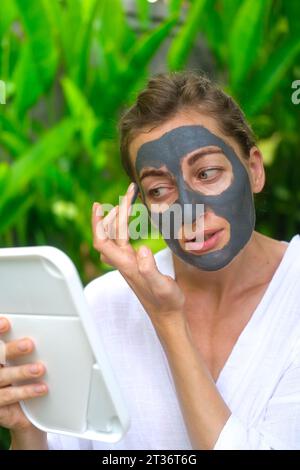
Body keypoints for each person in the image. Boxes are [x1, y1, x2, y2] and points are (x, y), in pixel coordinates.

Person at [1, 71, 300, 450]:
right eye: (159, 189)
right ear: (142, 204)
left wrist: (167, 320)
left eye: (207, 173)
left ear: (254, 169)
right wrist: (29, 431)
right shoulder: (104, 305)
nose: (189, 212)